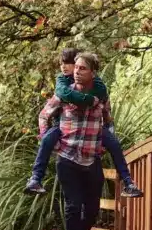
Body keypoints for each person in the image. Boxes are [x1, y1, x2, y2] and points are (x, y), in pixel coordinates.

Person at [25, 48, 143, 199]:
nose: (69, 69)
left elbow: (107, 115)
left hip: (93, 140)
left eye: (73, 65)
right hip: (61, 129)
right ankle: (35, 179)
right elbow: (44, 115)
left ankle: (129, 183)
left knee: (114, 144)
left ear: (92, 72)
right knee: (47, 139)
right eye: (70, 65)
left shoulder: (99, 88)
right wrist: (44, 132)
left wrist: (106, 135)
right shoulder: (63, 84)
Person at [37, 52, 120, 230]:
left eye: (83, 68)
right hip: (67, 158)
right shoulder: (64, 93)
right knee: (73, 206)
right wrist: (51, 141)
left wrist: (104, 142)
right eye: (76, 67)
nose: (77, 71)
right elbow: (44, 115)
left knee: (92, 209)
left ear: (93, 73)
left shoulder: (100, 96)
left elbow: (108, 121)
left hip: (92, 159)